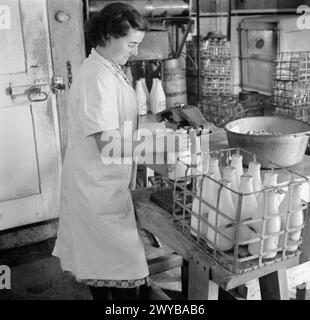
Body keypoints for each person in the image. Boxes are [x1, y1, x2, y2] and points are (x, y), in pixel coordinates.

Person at [52, 2, 151, 300]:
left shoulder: (109, 67)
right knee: (123, 270)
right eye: (131, 43)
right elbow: (108, 145)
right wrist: (166, 148)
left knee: (104, 269)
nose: (135, 50)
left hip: (104, 184)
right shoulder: (98, 77)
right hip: (96, 188)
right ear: (108, 36)